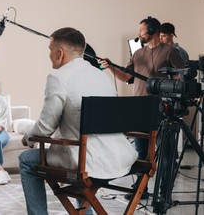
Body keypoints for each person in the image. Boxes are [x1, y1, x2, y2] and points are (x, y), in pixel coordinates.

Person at [19, 27, 138, 215]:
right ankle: (85, 213)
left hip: (86, 163)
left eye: (50, 50)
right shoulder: (102, 75)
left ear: (59, 53)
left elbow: (45, 127)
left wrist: (28, 138)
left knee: (26, 160)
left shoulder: (58, 77)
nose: (49, 54)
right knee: (76, 151)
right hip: (119, 157)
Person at [99, 16, 185, 200]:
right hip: (139, 110)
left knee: (166, 155)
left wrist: (170, 84)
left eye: (141, 30)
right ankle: (141, 190)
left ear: (152, 30)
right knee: (140, 154)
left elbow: (182, 77)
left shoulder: (170, 52)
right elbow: (125, 77)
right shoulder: (138, 54)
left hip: (163, 110)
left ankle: (164, 195)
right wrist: (111, 67)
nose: (139, 34)